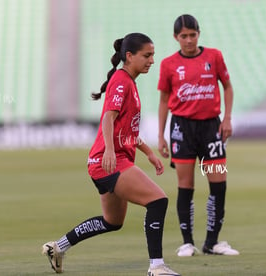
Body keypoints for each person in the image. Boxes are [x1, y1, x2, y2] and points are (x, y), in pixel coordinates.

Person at [42, 33, 180, 276]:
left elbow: (125, 131)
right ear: (129, 56)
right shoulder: (121, 81)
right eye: (147, 55)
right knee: (158, 201)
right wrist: (108, 149)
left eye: (153, 56)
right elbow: (108, 118)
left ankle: (58, 247)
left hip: (105, 162)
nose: (151, 61)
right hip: (109, 162)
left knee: (112, 221)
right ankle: (156, 267)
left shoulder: (128, 82)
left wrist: (148, 153)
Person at [157, 14, 239, 257]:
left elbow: (227, 86)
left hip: (211, 128)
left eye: (193, 35)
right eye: (184, 36)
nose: (189, 40)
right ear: (176, 37)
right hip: (182, 128)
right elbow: (163, 100)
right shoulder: (168, 64)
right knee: (186, 185)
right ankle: (187, 242)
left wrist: (227, 118)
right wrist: (161, 136)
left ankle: (212, 243)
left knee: (219, 185)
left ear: (199, 34)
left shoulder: (213, 56)